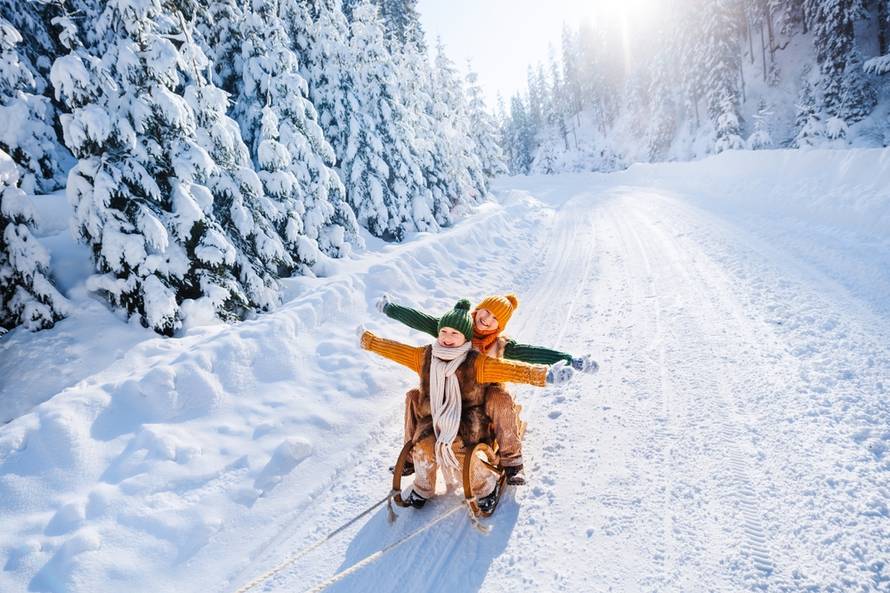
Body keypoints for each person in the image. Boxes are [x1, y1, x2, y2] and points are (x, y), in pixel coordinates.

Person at [360, 299, 574, 512]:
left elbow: (514, 368)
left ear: (467, 338)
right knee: (421, 431)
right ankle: (421, 482)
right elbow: (398, 344)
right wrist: (370, 336)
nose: (447, 337)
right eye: (443, 332)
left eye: (495, 318)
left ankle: (498, 474)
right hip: (437, 411)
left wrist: (550, 373)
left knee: (464, 439)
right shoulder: (429, 352)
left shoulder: (481, 358)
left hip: (474, 409)